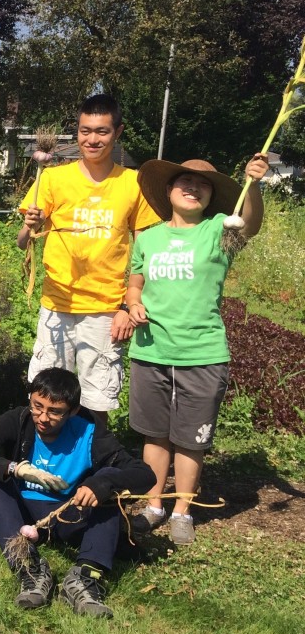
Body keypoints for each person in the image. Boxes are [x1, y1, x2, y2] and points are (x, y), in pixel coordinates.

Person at [126, 155, 268, 546]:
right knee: (155, 436)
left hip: (203, 353)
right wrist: (133, 303)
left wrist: (253, 185)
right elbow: (135, 283)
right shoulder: (149, 237)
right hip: (151, 351)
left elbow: (251, 225)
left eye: (202, 184)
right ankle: (154, 505)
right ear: (168, 191)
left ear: (211, 196)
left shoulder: (220, 231)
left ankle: (182, 510)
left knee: (192, 439)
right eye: (184, 182)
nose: (192, 188)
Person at [0, 368, 154, 618]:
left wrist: (100, 485)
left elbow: (145, 474)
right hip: (25, 514)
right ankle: (30, 569)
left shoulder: (90, 431)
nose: (43, 417)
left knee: (107, 487)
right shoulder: (17, 420)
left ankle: (85, 578)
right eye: (37, 406)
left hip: (69, 514)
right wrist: (14, 468)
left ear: (72, 411)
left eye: (55, 411)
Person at [17, 94, 158, 418]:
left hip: (105, 311)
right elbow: (23, 243)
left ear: (117, 132)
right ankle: (47, 462)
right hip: (57, 305)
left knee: (97, 400)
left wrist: (128, 305)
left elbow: (145, 253)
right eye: (85, 130)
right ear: (76, 131)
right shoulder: (52, 179)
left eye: (102, 131)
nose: (92, 139)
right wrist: (29, 228)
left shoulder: (133, 183)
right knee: (46, 396)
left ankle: (92, 463)